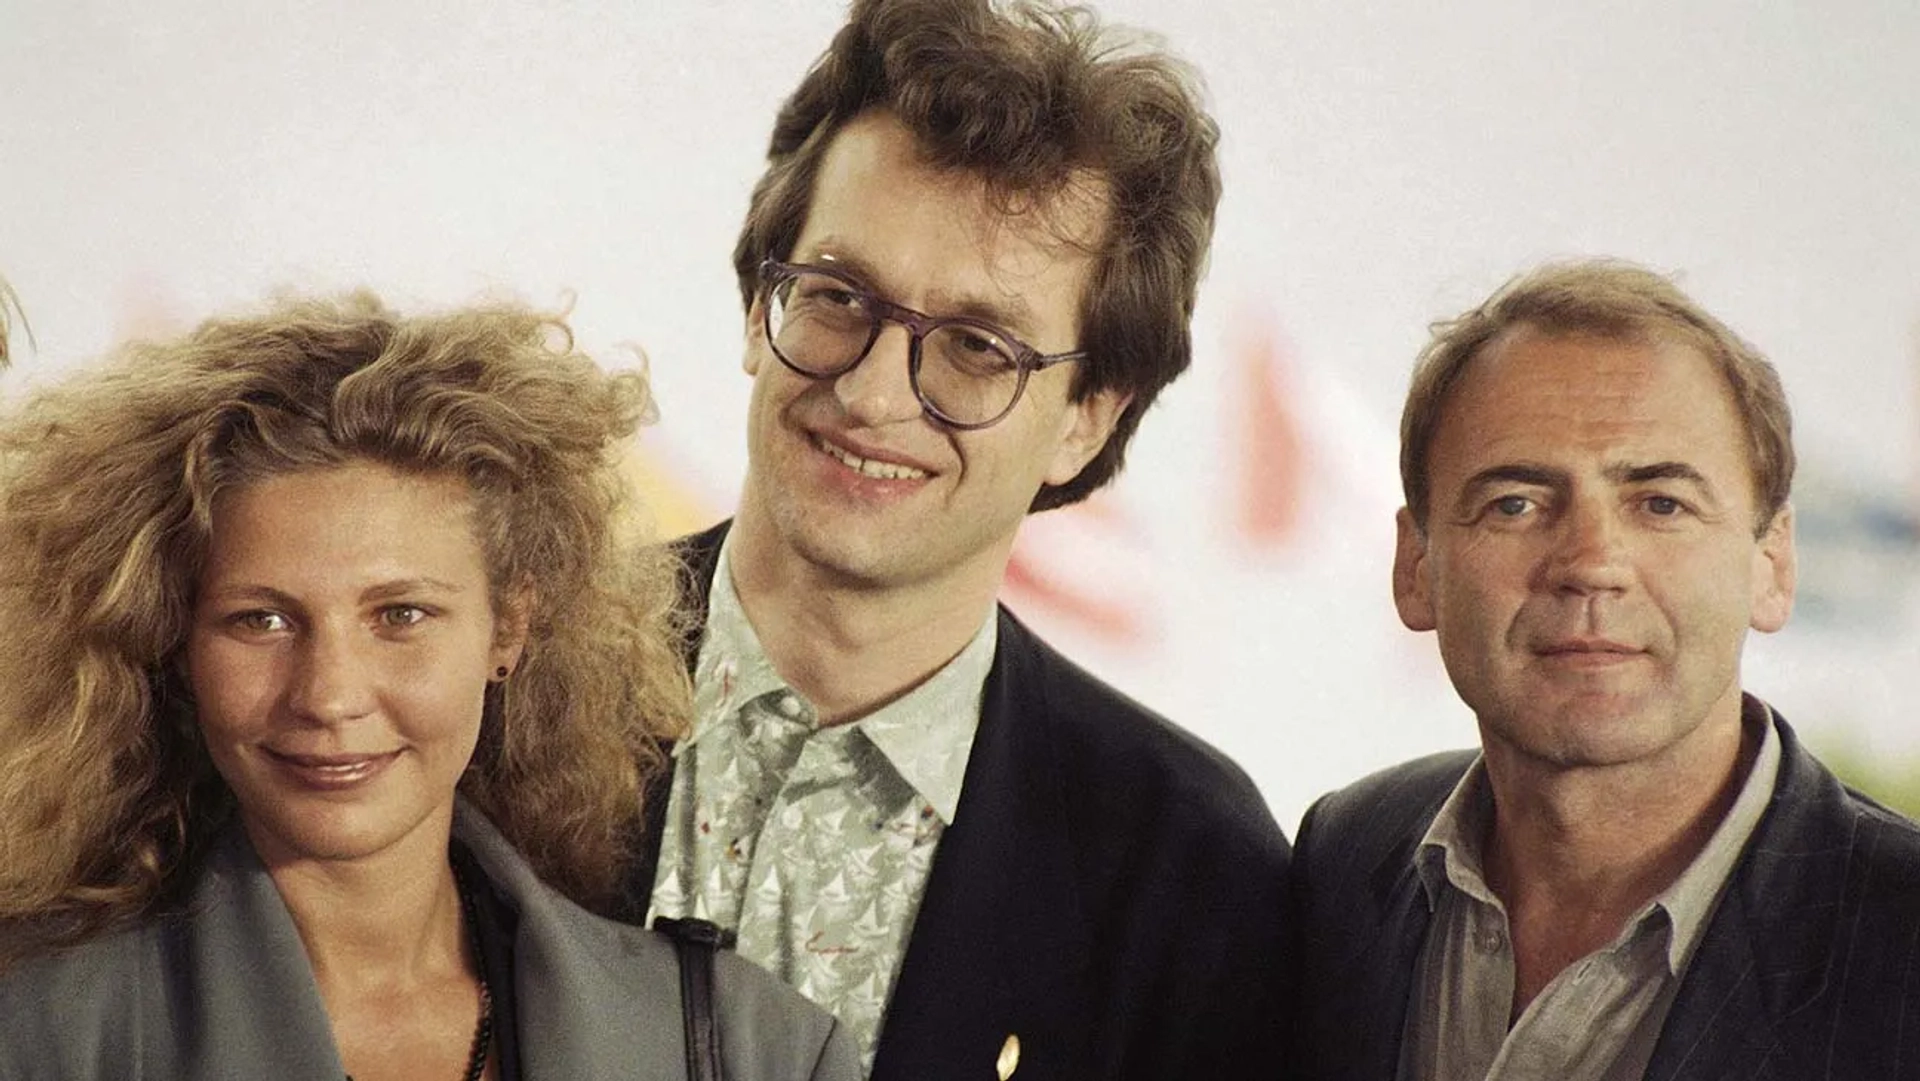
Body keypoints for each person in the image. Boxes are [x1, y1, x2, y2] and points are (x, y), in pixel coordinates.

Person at [626, 1, 1291, 1078]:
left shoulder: (1189, 869)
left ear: (1089, 418)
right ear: (759, 303)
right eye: (837, 296)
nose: (875, 390)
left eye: (978, 347)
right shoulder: (477, 684)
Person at [0, 294, 859, 1080]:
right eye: (261, 619)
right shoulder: (36, 1033)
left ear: (509, 628)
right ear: (175, 638)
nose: (330, 696)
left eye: (400, 615)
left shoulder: (753, 1051)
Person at [1285, 260, 1920, 1080]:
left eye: (1661, 503)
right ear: (1415, 566)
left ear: (1772, 562)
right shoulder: (1348, 855)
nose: (1591, 562)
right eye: (1514, 502)